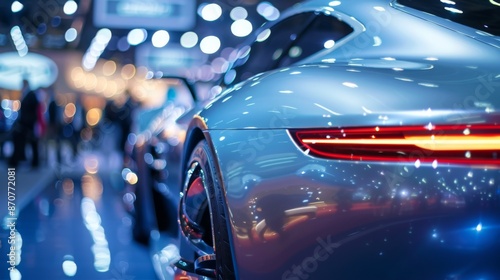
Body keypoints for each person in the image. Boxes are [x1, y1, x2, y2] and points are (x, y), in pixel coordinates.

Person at [9, 79, 41, 168]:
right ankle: (21, 160)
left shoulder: (31, 95)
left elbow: (33, 111)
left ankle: (33, 162)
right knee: (28, 143)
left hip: (28, 124)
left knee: (32, 143)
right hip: (25, 124)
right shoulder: (27, 94)